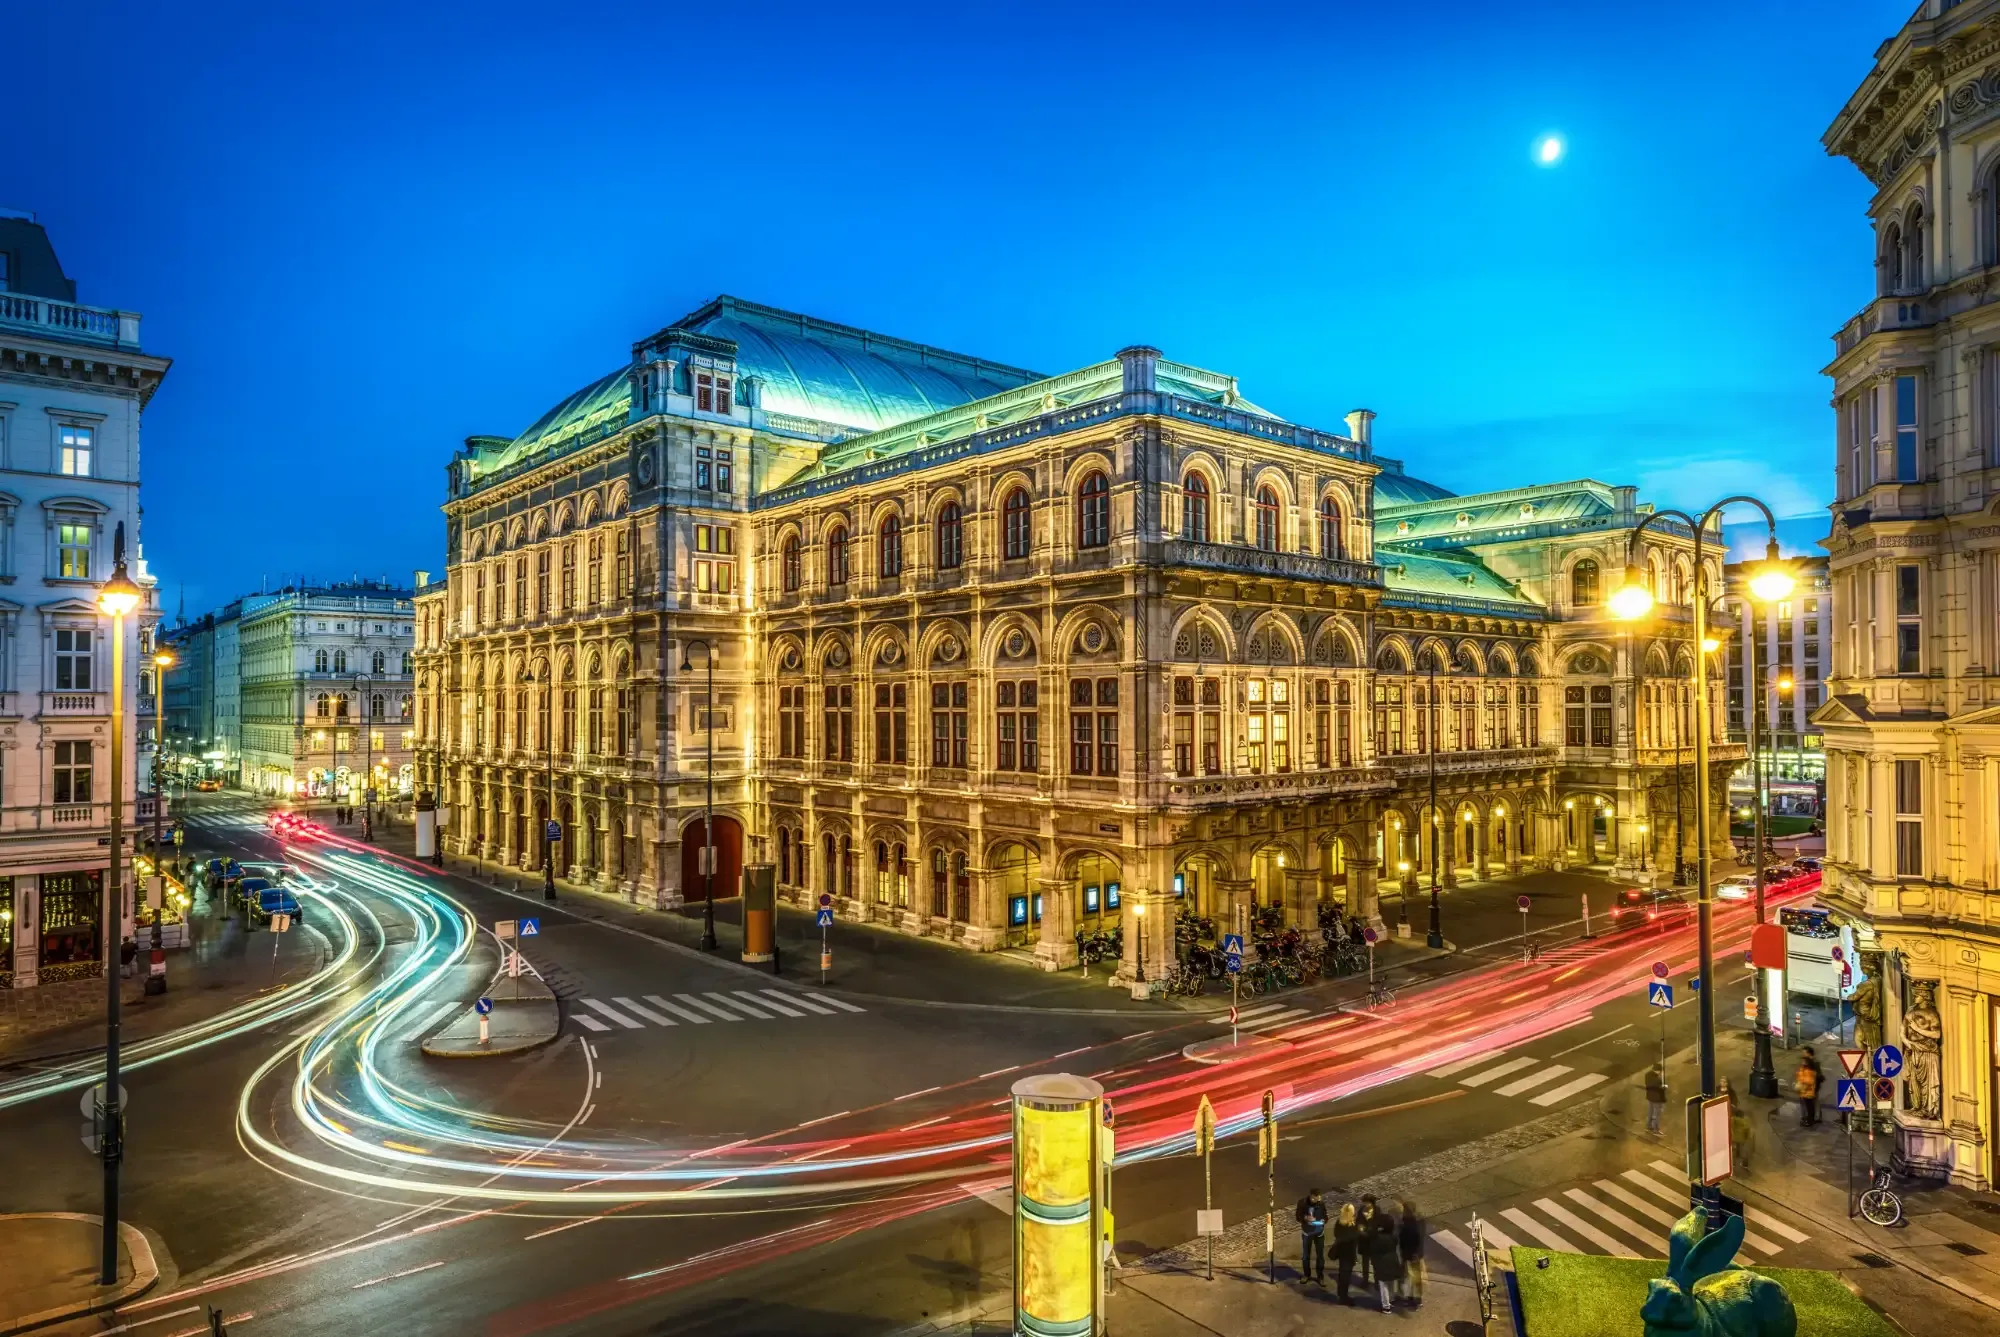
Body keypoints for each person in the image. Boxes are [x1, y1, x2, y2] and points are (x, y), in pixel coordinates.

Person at [1366, 1207, 1404, 1314]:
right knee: (1391, 1283)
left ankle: (1386, 1306)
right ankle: (1391, 1299)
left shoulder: (1378, 1238)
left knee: (1384, 1286)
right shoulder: (1393, 1236)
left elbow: (1373, 1249)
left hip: (1382, 1263)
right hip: (1392, 1261)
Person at [1396, 1200, 1426, 1307]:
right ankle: (1413, 1297)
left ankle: (1414, 1298)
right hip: (1412, 1253)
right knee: (1412, 1277)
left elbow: (1415, 1239)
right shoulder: (1419, 1221)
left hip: (1411, 1254)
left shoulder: (1410, 1224)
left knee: (1409, 1277)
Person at [1294, 1188, 1327, 1284]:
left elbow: (1325, 1215)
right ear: (1312, 1196)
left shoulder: (1321, 1203)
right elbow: (1297, 1216)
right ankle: (1306, 1274)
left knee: (1320, 1255)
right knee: (1305, 1256)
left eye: (1319, 1198)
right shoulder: (1302, 1203)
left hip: (1319, 1232)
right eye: (1317, 1198)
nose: (1319, 1200)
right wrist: (1305, 1218)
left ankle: (1320, 1276)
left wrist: (1324, 1221)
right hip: (1307, 1233)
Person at [1330, 1201, 1361, 1305]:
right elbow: (1353, 1240)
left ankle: (1341, 1295)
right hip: (1348, 1254)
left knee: (1342, 1274)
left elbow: (1336, 1234)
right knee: (1346, 1276)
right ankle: (1343, 1297)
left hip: (1341, 1252)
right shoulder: (1352, 1226)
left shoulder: (1340, 1222)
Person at [1356, 1196, 1378, 1286]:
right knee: (1365, 1263)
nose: (1365, 1204)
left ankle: (1377, 1281)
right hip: (1364, 1241)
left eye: (1367, 1202)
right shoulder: (1361, 1210)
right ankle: (1365, 1280)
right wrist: (1360, 1228)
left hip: (1373, 1241)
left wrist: (1369, 1221)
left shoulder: (1377, 1211)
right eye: (1364, 1202)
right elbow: (1358, 1222)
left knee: (1375, 1262)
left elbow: (1377, 1224)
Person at [1796, 1051, 1820, 1126]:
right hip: (1804, 1092)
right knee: (1807, 1107)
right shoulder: (1803, 1069)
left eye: (1803, 1060)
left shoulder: (1808, 1070)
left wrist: (1802, 1085)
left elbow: (1809, 1081)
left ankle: (1809, 1121)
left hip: (1808, 1092)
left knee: (1809, 1107)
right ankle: (1808, 1119)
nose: (1802, 1062)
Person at [1645, 1063, 1668, 1135]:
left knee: (1650, 1112)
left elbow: (1650, 1085)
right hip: (1657, 1098)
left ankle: (1649, 1126)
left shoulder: (1647, 1075)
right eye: (1660, 1071)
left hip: (1650, 1097)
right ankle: (1656, 1129)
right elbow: (1659, 1088)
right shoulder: (1657, 1079)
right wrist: (1664, 1087)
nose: (1660, 1072)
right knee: (1656, 1114)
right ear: (1657, 1071)